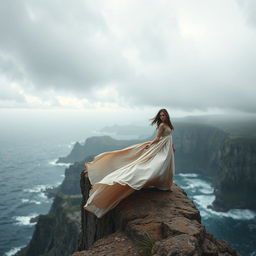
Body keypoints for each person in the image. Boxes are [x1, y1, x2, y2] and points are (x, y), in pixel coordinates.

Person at [83, 108, 176, 218]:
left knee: (164, 165)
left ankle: (163, 184)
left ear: (167, 116)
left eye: (164, 115)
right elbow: (158, 138)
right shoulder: (161, 126)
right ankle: (150, 181)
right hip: (161, 147)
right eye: (160, 115)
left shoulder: (169, 125)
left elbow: (169, 138)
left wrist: (172, 147)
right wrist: (150, 145)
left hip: (167, 148)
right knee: (157, 164)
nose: (162, 117)